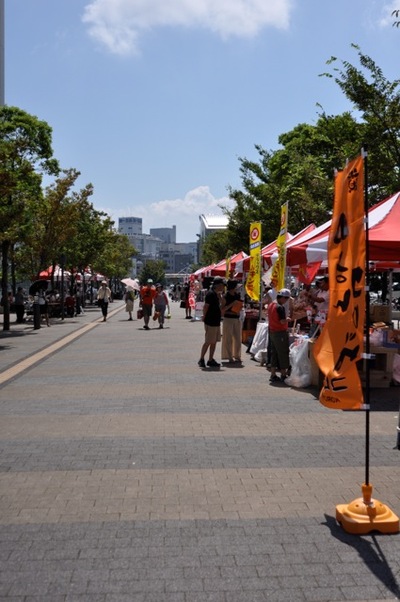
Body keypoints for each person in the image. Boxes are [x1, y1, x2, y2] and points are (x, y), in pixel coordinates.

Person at [198, 276, 225, 368]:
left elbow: (223, 303)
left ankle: (210, 359)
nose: (223, 287)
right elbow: (206, 307)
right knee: (208, 341)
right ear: (218, 285)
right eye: (222, 285)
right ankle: (201, 359)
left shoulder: (217, 294)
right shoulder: (210, 294)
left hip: (216, 321)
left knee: (214, 342)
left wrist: (220, 296)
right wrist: (204, 316)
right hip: (210, 321)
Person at [267, 288, 291, 383]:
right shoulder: (280, 307)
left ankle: (273, 374)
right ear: (283, 298)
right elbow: (282, 321)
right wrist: (288, 319)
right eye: (287, 299)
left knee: (274, 353)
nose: (287, 301)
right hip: (280, 332)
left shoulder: (271, 305)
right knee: (283, 353)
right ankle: (283, 374)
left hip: (272, 331)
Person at [221, 279, 243, 363]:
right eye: (236, 286)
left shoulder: (237, 295)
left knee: (238, 338)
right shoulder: (225, 297)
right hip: (228, 319)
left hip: (236, 318)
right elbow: (222, 310)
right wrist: (232, 304)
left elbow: (239, 305)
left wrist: (240, 306)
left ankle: (237, 355)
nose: (237, 288)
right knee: (228, 338)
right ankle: (229, 356)